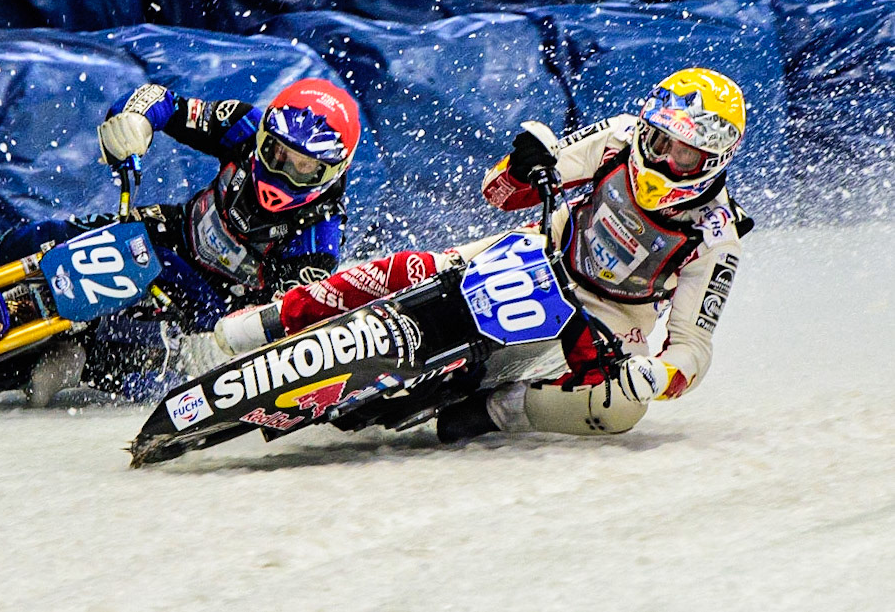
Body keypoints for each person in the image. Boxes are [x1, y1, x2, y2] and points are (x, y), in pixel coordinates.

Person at [216, 68, 750, 443]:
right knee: (422, 266)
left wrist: (656, 377)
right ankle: (273, 319)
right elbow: (497, 193)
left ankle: (497, 411)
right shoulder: (617, 138)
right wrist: (522, 165)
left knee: (621, 409)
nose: (663, 158)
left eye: (685, 153)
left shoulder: (717, 234)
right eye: (659, 141)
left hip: (613, 316)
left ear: (714, 160)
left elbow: (693, 348)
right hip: (544, 250)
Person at [0, 77, 361, 404]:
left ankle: (56, 367)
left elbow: (287, 320)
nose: (283, 172)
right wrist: (137, 121)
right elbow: (163, 99)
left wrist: (223, 343)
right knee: (46, 236)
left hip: (213, 305)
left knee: (109, 351)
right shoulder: (243, 124)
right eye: (276, 153)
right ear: (263, 137)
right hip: (172, 231)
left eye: (305, 168)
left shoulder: (319, 238)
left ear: (332, 172)